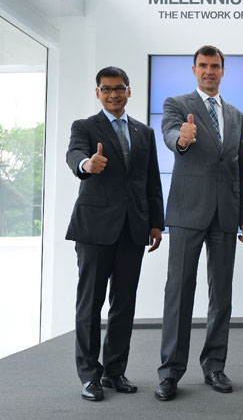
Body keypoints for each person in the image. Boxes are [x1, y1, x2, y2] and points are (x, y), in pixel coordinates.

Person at [155, 45, 243, 401]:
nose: (209, 71)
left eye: (215, 66)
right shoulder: (177, 104)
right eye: (203, 66)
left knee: (221, 294)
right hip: (187, 211)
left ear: (223, 71)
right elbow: (171, 134)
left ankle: (214, 365)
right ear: (194, 70)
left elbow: (241, 167)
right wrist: (181, 139)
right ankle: (170, 372)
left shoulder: (236, 115)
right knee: (179, 291)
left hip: (226, 213)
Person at [66, 66, 164, 401]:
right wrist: (86, 165)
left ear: (129, 91)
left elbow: (151, 179)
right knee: (90, 304)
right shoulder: (84, 126)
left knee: (123, 304)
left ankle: (114, 371)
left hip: (133, 228)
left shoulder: (143, 132)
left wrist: (156, 222)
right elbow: (74, 154)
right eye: (106, 89)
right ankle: (89, 376)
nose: (113, 94)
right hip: (94, 228)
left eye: (119, 88)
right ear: (98, 93)